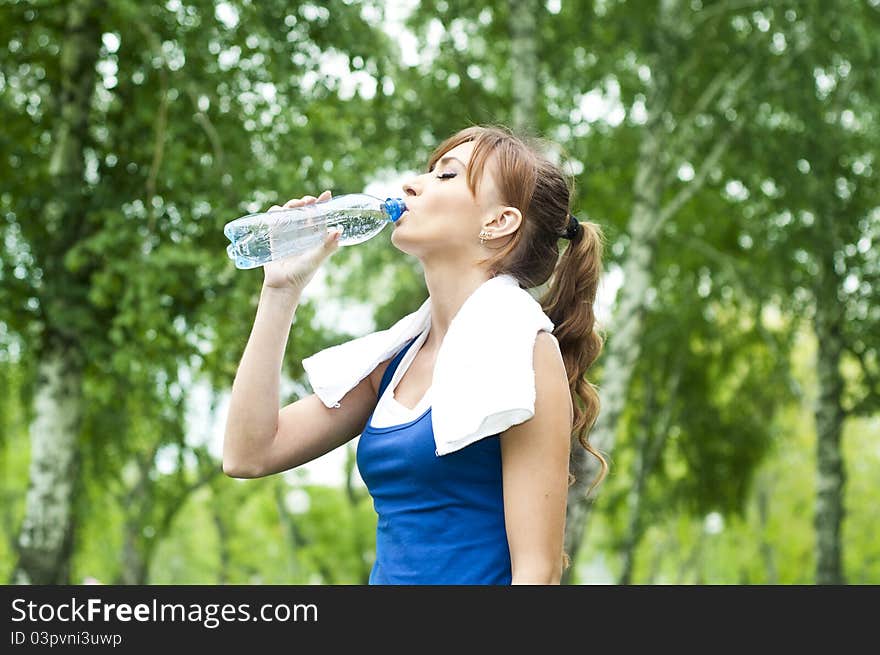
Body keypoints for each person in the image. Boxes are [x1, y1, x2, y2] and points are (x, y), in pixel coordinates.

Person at [222, 124, 608, 584]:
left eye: (447, 176)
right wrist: (280, 289)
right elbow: (248, 454)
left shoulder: (525, 351)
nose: (410, 185)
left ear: (498, 221)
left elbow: (537, 574)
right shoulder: (393, 364)